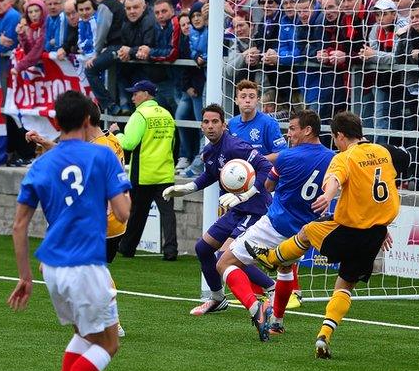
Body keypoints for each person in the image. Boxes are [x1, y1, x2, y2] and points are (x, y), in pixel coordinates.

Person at [8, 90, 131, 371]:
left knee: (83, 334)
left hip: (51, 266)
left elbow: (19, 226)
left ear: (56, 122)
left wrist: (24, 276)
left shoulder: (42, 163)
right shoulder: (103, 156)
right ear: (89, 120)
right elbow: (123, 212)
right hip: (86, 263)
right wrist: (118, 186)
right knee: (108, 343)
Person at [246, 111, 409, 359]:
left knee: (309, 231)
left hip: (350, 231)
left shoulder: (344, 157)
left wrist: (328, 195)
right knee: (345, 286)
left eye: (335, 138)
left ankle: (272, 258)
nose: (335, 143)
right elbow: (404, 159)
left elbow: (333, 179)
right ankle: (324, 335)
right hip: (375, 234)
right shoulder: (383, 152)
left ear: (341, 136)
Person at [219, 109, 335, 340]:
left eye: (292, 129)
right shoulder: (333, 158)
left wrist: (242, 189)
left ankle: (255, 308)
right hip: (303, 233)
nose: (288, 134)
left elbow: (268, 186)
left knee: (224, 263)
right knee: (284, 270)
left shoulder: (286, 157)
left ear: (308, 130)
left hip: (274, 225)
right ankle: (277, 323)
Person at [162, 104, 276, 316]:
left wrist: (247, 194)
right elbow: (210, 175)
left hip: (255, 208)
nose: (210, 126)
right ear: (201, 126)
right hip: (235, 210)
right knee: (203, 248)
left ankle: (272, 288)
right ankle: (217, 298)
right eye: (206, 122)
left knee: (227, 256)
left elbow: (266, 167)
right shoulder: (208, 152)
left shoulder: (235, 146)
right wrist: (187, 188)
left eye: (215, 122)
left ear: (224, 125)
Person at [112, 80, 178, 261]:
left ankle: (127, 247)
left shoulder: (140, 115)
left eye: (135, 93)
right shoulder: (167, 114)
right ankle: (171, 251)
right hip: (165, 171)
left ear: (146, 94)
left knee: (137, 213)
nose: (132, 97)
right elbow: (174, 144)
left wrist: (116, 133)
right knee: (168, 213)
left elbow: (128, 143)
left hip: (143, 174)